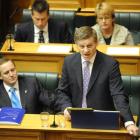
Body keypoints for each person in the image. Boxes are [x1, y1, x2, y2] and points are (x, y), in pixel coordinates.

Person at [55, 26, 138, 136]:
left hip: (101, 120)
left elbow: (118, 94)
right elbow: (62, 91)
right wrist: (66, 108)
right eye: (82, 46)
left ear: (96, 43)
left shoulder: (110, 64)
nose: (85, 50)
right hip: (75, 119)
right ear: (76, 44)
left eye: (89, 46)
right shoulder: (69, 62)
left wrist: (129, 122)